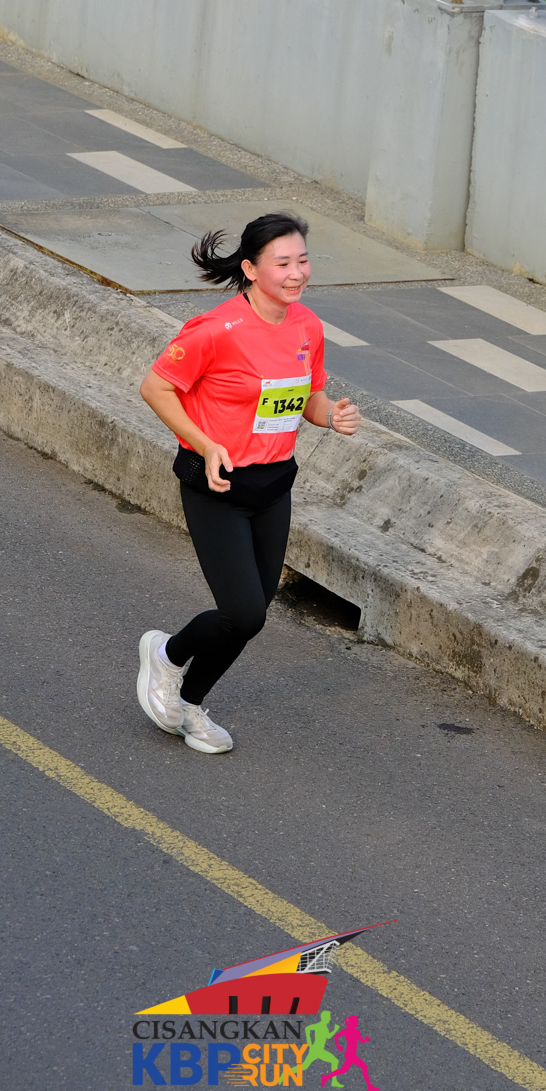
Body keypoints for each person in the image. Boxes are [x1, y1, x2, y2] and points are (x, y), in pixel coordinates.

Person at [136, 212, 361, 754]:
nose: (296, 273)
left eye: (302, 260)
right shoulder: (216, 330)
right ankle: (166, 655)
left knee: (250, 618)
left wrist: (331, 415)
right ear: (251, 269)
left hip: (273, 486)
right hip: (218, 485)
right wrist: (205, 443)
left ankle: (188, 704)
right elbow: (155, 388)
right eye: (282, 263)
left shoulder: (307, 327)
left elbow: (306, 397)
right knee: (243, 611)